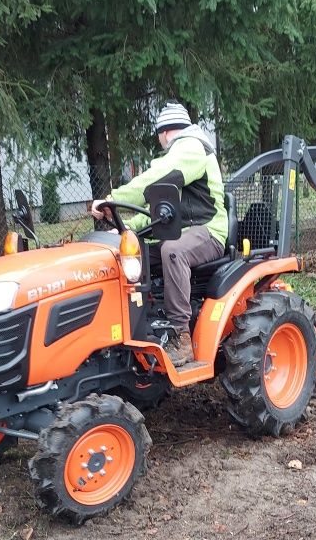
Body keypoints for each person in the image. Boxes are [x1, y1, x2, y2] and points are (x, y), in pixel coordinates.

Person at [91, 102, 228, 367]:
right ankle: (138, 326)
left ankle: (181, 335)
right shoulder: (180, 159)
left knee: (172, 251)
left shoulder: (192, 149)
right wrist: (128, 229)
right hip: (181, 230)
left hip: (208, 231)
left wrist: (113, 199)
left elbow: (155, 180)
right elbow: (160, 210)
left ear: (164, 133)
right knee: (134, 253)